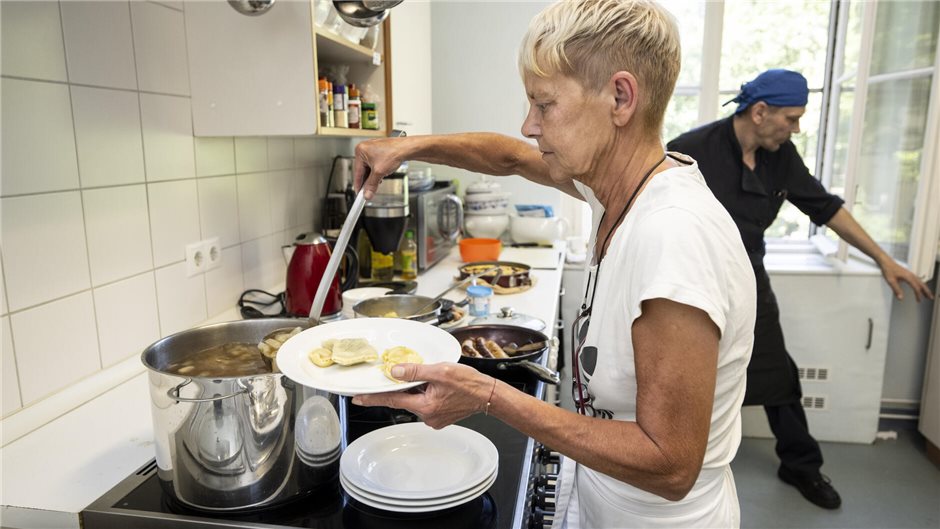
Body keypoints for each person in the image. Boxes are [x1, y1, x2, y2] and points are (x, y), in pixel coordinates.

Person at [352, 1, 756, 526]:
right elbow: (509, 156)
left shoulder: (672, 236)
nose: (528, 125)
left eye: (545, 104)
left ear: (620, 98)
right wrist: (406, 148)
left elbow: (670, 464)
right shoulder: (620, 187)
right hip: (602, 500)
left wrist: (488, 397)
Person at [667, 68, 934, 510]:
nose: (795, 128)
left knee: (776, 371)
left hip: (749, 275)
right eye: (791, 119)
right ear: (759, 112)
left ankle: (800, 466)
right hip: (693, 276)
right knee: (682, 371)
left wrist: (885, 260)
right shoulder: (691, 150)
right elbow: (654, 210)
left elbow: (825, 207)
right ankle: (675, 462)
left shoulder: (781, 156)